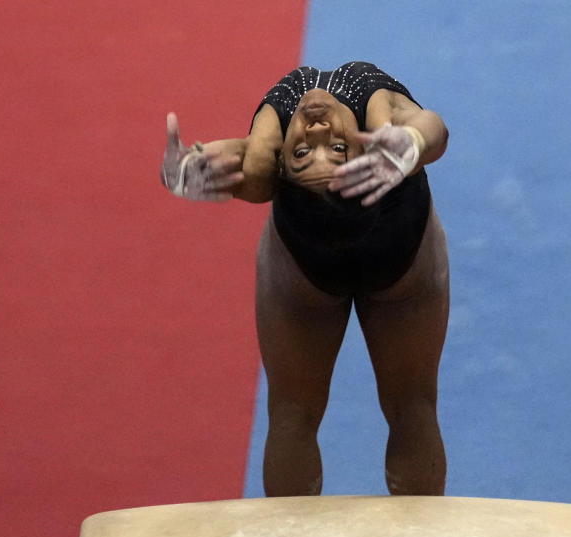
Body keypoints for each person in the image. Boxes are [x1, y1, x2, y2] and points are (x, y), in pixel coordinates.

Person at [161, 61, 449, 497]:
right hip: (402, 259)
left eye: (300, 154)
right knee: (414, 409)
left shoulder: (266, 158)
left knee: (293, 415)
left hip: (310, 268)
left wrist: (189, 169)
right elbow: (434, 130)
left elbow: (245, 167)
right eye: (336, 149)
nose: (314, 133)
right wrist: (413, 141)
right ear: (371, 155)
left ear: (280, 165)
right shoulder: (378, 115)